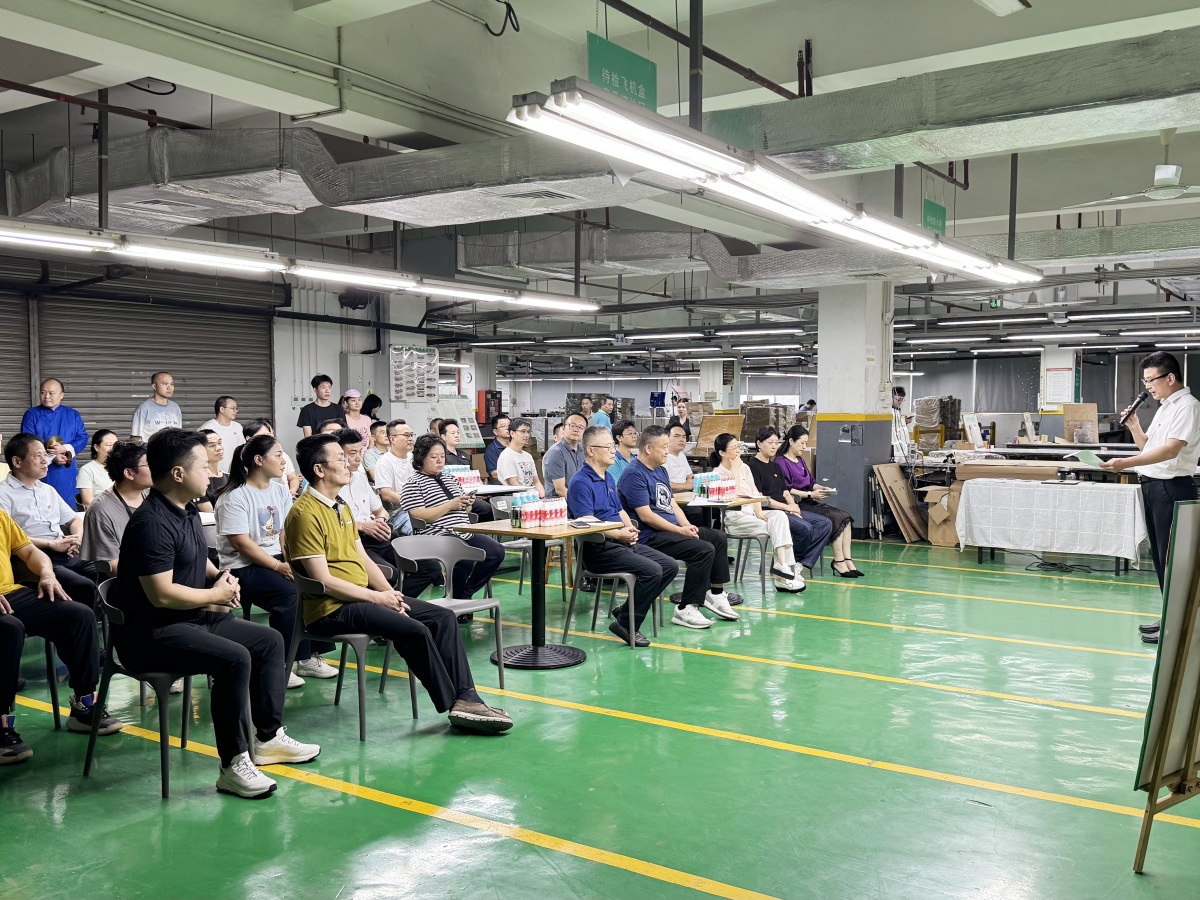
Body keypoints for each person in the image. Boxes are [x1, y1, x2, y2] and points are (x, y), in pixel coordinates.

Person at [116, 429, 320, 799]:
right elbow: (161, 594)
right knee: (234, 658)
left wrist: (220, 577)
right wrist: (214, 595)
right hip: (152, 633)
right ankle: (233, 764)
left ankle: (268, 738)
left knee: (269, 641)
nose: (212, 472)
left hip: (190, 620)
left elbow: (198, 560)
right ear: (178, 474)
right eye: (204, 466)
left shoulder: (187, 511)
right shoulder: (151, 523)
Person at [283, 434, 513, 733]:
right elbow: (323, 580)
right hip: (331, 609)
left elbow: (362, 557)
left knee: (442, 617)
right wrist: (377, 598)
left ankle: (467, 697)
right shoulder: (304, 514)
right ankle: (454, 703)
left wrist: (388, 592)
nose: (349, 463)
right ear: (319, 469)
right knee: (414, 629)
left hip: (359, 599)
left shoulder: (340, 506)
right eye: (340, 458)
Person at [0, 505, 122, 764]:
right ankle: (1, 723)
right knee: (9, 629)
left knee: (78, 615)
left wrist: (46, 574)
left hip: (10, 593)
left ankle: (84, 704)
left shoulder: (1, 517)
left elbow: (30, 552)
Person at [216, 434, 337, 686]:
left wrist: (292, 563)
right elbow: (241, 543)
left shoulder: (280, 490)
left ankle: (308, 657)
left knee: (316, 584)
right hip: (242, 567)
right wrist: (278, 566)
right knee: (289, 594)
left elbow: (284, 532)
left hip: (277, 560)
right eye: (278, 455)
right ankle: (282, 663)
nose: (284, 461)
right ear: (259, 460)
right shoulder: (235, 496)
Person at [1102, 351, 1200, 644]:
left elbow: (1170, 451)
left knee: (1173, 560)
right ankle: (1169, 616)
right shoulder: (1166, 407)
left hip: (1172, 488)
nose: (1147, 387)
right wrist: (1134, 426)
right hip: (1154, 487)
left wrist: (1124, 463)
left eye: (1151, 380)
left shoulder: (1188, 407)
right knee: (1159, 557)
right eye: (1145, 382)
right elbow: (1149, 447)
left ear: (1170, 378)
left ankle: (1178, 625)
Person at [617, 425, 737, 629]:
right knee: (703, 550)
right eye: (664, 447)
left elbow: (672, 504)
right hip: (649, 536)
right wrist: (679, 531)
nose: (667, 451)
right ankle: (686, 607)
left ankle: (715, 593)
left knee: (717, 537)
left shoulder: (661, 470)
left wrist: (687, 526)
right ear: (648, 448)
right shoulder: (634, 474)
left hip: (669, 530)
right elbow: (646, 516)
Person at [567, 426, 677, 646]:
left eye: (612, 446)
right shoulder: (581, 482)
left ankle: (626, 611)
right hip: (598, 549)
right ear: (590, 450)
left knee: (669, 566)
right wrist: (619, 534)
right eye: (608, 447)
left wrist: (630, 529)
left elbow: (620, 510)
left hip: (619, 542)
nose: (613, 451)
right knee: (652, 571)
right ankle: (626, 624)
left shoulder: (607, 477)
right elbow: (587, 522)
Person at [399, 435, 505, 599]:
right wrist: (449, 505)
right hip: (436, 534)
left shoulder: (451, 478)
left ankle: (463, 594)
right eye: (434, 457)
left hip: (463, 530)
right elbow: (419, 515)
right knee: (463, 556)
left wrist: (467, 503)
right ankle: (458, 597)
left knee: (496, 551)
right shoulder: (413, 484)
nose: (440, 461)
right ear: (421, 458)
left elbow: (465, 510)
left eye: (442, 456)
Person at [0, 434, 98, 607]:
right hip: (33, 557)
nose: (45, 461)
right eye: (38, 456)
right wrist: (51, 544)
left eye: (45, 455)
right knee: (84, 586)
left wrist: (76, 538)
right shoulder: (4, 493)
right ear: (17, 462)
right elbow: (9, 539)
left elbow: (74, 520)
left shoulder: (47, 489)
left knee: (103, 572)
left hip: (67, 551)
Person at [710, 433, 805, 592]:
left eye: (738, 447)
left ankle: (782, 565)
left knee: (779, 516)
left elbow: (755, 493)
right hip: (735, 519)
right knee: (778, 528)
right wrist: (734, 470)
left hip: (752, 514)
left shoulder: (745, 468)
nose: (738, 451)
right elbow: (734, 496)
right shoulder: (717, 474)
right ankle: (783, 576)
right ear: (722, 453)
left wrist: (759, 512)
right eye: (733, 448)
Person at [745, 427, 833, 587]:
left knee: (825, 523)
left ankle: (799, 564)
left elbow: (785, 492)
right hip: (771, 512)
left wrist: (794, 506)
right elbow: (762, 499)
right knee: (805, 528)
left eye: (776, 442)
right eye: (770, 442)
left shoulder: (775, 466)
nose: (774, 446)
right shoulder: (752, 466)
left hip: (786, 508)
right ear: (759, 443)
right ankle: (788, 566)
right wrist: (788, 508)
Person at [778, 425, 861, 578]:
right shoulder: (781, 462)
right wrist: (810, 494)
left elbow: (811, 482)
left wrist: (821, 488)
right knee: (836, 517)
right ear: (791, 441)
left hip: (811, 501)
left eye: (806, 443)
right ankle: (838, 561)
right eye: (801, 443)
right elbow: (787, 489)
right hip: (799, 504)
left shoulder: (800, 461)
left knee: (846, 517)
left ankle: (847, 560)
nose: (804, 447)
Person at [81, 440, 153, 576]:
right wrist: (156, 577)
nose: (157, 468)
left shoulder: (152, 495)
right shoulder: (101, 510)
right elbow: (112, 566)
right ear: (129, 473)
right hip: (130, 581)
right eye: (149, 464)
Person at [21, 378, 88, 506]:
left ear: (61, 395)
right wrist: (52, 456)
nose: (46, 397)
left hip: (66, 469)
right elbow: (27, 441)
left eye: (51, 393)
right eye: (43, 392)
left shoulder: (73, 414)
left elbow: (82, 438)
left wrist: (65, 449)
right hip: (40, 469)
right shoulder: (31, 414)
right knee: (43, 505)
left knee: (68, 506)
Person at [440, 419, 493, 522]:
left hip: (470, 493)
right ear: (443, 437)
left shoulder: (463, 455)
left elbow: (473, 476)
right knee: (485, 508)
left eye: (458, 433)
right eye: (453, 433)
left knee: (491, 502)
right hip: (454, 495)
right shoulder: (442, 457)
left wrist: (478, 492)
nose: (457, 435)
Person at [373, 419, 416, 533]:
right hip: (397, 514)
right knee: (415, 526)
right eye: (406, 435)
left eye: (411, 435)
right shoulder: (384, 462)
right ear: (392, 439)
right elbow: (387, 494)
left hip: (418, 507)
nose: (411, 438)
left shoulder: (414, 458)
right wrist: (413, 503)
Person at [243, 419, 300, 497]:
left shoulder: (280, 488)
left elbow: (293, 478)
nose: (270, 438)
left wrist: (291, 491)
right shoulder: (242, 492)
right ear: (258, 459)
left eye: (271, 434)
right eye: (265, 435)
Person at [542, 413, 585, 499]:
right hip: (559, 504)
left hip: (577, 500)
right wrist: (582, 503)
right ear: (563, 428)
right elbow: (560, 490)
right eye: (572, 425)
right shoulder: (556, 452)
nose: (576, 430)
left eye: (580, 427)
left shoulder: (582, 451)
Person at [497, 418, 544, 497]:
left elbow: (536, 482)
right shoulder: (506, 456)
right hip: (518, 499)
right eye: (522, 431)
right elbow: (514, 484)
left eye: (528, 432)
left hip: (533, 497)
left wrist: (542, 497)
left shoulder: (528, 456)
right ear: (512, 433)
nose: (526, 435)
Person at [131, 372, 183, 442]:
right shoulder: (144, 408)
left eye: (172, 384)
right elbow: (135, 438)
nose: (169, 388)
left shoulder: (175, 407)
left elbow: (179, 434)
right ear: (154, 386)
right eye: (165, 384)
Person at [200, 396, 245, 474]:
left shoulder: (238, 427)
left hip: (235, 473)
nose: (235, 411)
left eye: (236, 408)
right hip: (215, 474)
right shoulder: (208, 428)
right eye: (233, 408)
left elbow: (242, 449)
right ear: (222, 409)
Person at [77, 429, 117, 509]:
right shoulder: (87, 470)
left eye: (116, 445)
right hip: (102, 513)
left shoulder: (124, 467)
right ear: (96, 447)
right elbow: (88, 502)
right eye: (109, 445)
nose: (113, 448)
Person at [196, 429, 229, 512]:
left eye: (219, 443)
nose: (219, 448)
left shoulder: (230, 477)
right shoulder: (197, 480)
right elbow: (209, 512)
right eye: (212, 445)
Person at [484, 413, 511, 483]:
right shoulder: (491, 450)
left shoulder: (515, 446)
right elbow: (494, 474)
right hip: (502, 487)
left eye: (509, 425)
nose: (507, 428)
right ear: (495, 432)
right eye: (503, 426)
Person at [609, 420, 637, 484]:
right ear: (619, 437)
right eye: (630, 433)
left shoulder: (635, 459)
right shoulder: (613, 460)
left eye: (635, 433)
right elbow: (615, 486)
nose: (634, 436)